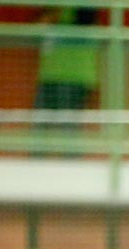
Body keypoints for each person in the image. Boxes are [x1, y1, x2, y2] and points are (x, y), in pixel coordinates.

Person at [32, 6, 99, 156]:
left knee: (69, 127)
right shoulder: (50, 12)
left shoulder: (84, 11)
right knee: (39, 125)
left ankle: (72, 165)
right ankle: (35, 163)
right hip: (48, 76)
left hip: (74, 77)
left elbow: (86, 20)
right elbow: (36, 28)